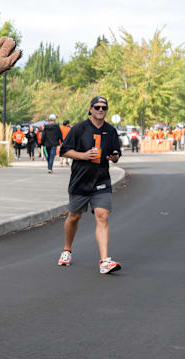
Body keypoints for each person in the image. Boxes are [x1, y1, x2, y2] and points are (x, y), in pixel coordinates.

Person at [57, 96, 122, 274]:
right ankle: (67, 249)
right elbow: (63, 151)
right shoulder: (79, 128)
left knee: (102, 216)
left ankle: (104, 261)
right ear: (91, 109)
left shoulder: (111, 131)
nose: (101, 110)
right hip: (80, 181)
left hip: (101, 181)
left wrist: (114, 156)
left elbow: (116, 152)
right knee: (74, 217)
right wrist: (83, 156)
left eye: (104, 107)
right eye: (97, 107)